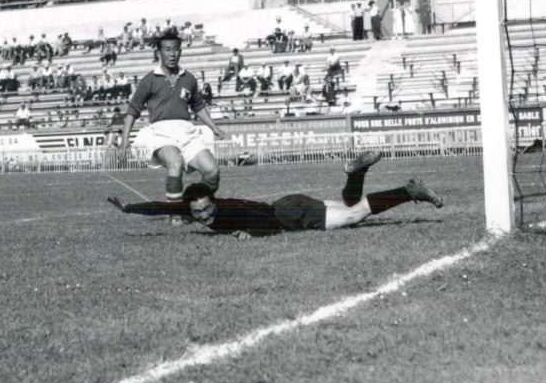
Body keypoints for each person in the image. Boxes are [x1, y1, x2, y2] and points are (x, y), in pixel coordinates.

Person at [107, 152, 443, 238]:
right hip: (287, 202)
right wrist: (130, 209)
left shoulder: (227, 214)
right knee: (351, 205)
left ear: (213, 202)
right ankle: (356, 173)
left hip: (287, 215)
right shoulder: (197, 205)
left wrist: (249, 234)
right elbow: (159, 206)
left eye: (207, 210)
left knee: (354, 216)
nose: (204, 217)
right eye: (198, 214)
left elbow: (264, 224)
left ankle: (408, 190)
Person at [119, 28, 227, 209]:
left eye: (176, 49)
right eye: (167, 49)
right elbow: (132, 110)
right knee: (175, 163)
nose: (172, 54)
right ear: (159, 53)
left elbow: (198, 106)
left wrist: (214, 128)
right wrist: (124, 142)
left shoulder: (189, 78)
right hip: (161, 133)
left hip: (186, 131)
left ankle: (194, 206)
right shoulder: (149, 80)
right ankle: (175, 214)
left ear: (180, 51)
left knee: (212, 171)